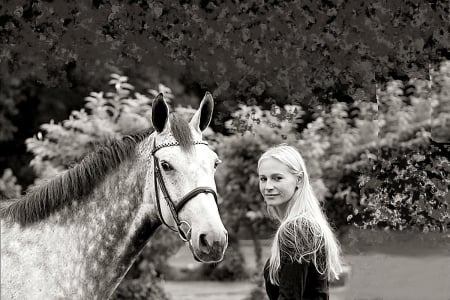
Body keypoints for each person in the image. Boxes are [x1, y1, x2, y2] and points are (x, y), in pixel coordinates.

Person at [257, 144, 343, 300]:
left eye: (277, 178)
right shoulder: (306, 226)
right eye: (263, 179)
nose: (268, 186)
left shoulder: (297, 230)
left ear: (299, 180)